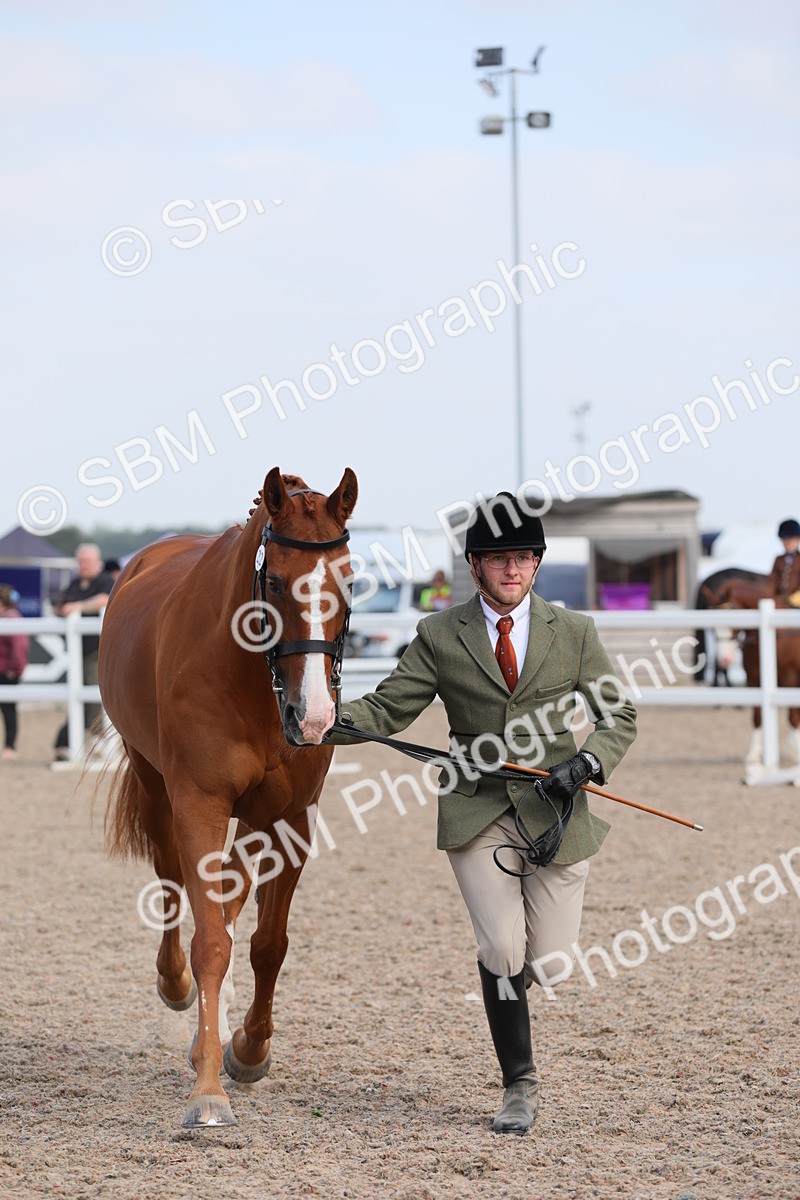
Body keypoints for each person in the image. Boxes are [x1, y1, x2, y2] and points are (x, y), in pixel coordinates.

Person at [329, 494, 636, 1135]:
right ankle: (518, 1082)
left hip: (556, 810)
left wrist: (586, 763)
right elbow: (388, 710)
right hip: (477, 809)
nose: (512, 568)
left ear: (538, 562)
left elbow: (619, 715)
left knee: (548, 962)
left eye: (524, 556)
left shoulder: (574, 633)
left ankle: (517, 983)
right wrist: (322, 722)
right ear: (475, 566)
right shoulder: (441, 635)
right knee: (501, 948)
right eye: (498, 558)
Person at [52, 544, 115, 762]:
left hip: (97, 649)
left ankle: (97, 736)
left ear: (97, 561)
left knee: (92, 690)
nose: (84, 565)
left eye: (87, 561)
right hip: (76, 650)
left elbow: (104, 600)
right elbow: (60, 605)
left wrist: (77, 606)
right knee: (77, 693)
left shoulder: (105, 580)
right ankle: (69, 742)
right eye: (81, 561)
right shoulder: (74, 583)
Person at [0, 585, 29, 760]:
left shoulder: (11, 619)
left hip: (7, 672)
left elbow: (19, 647)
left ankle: (10, 746)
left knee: (9, 711)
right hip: (4, 670)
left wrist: (16, 669)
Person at [768, 519, 800, 605]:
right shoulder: (778, 559)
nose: (787, 543)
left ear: (798, 539)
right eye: (785, 540)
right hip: (779, 601)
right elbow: (772, 581)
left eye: (791, 539)